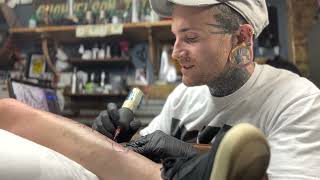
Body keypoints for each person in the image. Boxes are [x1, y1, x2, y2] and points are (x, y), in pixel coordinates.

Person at [93, 0, 320, 180]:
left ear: (241, 38)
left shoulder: (298, 102)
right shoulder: (184, 96)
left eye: (190, 38)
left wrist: (193, 158)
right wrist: (121, 140)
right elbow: (139, 158)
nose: (175, 52)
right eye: (176, 37)